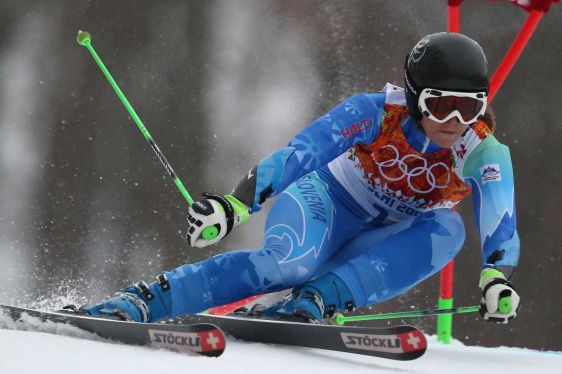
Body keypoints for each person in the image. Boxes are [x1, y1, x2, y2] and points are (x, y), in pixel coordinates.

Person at [81, 32, 520, 325]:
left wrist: (495, 277)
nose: (456, 121)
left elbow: (500, 216)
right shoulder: (377, 112)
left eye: (471, 106)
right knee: (288, 265)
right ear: (414, 98)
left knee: (449, 228)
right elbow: (301, 154)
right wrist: (234, 207)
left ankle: (311, 304)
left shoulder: (480, 149)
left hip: (381, 239)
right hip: (326, 204)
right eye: (442, 106)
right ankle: (145, 301)